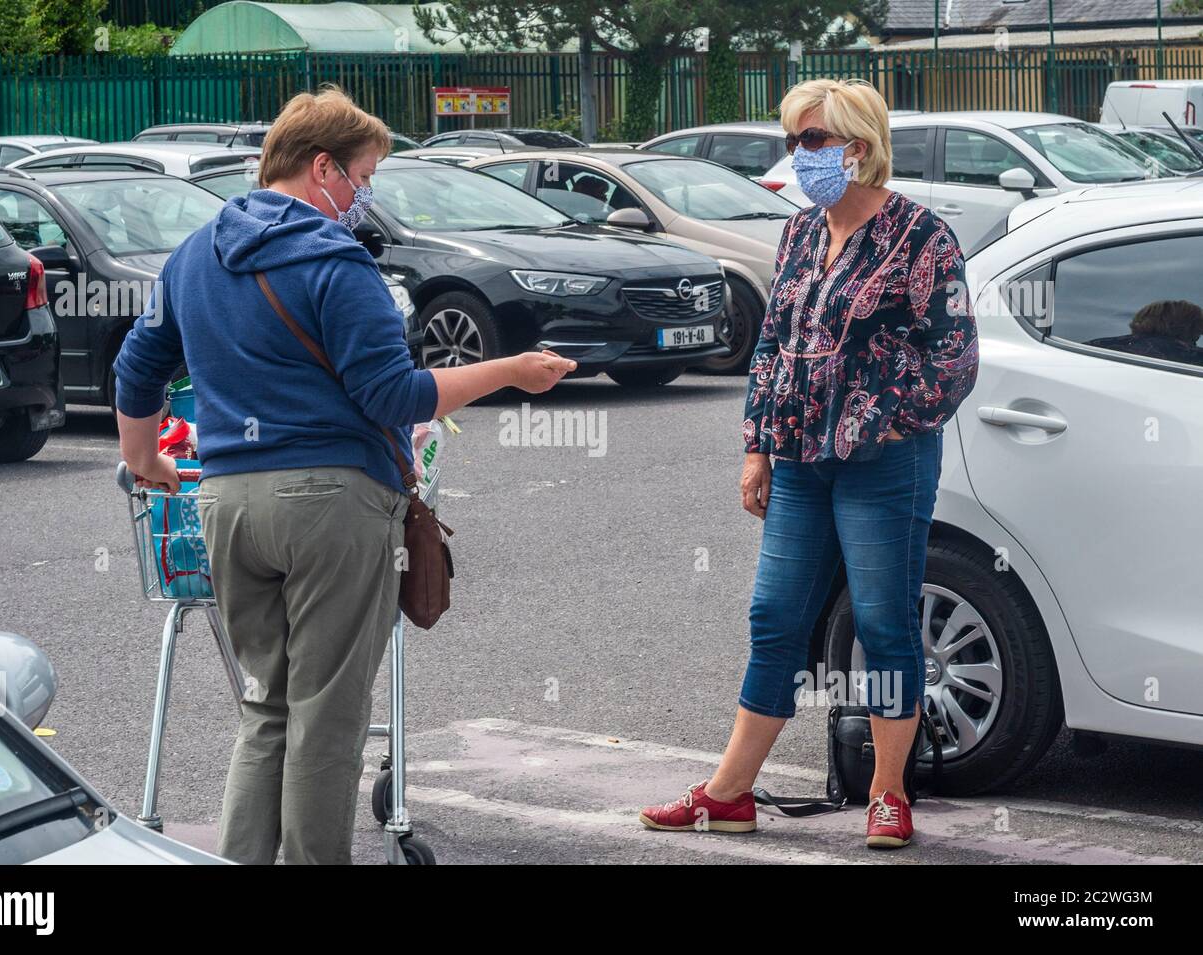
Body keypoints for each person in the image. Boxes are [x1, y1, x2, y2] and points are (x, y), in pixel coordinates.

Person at [113, 87, 576, 864]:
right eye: (364, 176)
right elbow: (393, 394)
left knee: (267, 707)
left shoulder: (193, 254)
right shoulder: (336, 261)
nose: (367, 196)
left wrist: (144, 460)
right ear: (321, 167)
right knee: (328, 716)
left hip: (224, 503)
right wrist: (511, 370)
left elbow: (137, 369)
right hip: (329, 502)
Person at [639, 79, 979, 849]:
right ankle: (728, 792)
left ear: (859, 147)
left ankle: (889, 795)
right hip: (797, 462)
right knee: (774, 618)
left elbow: (953, 359)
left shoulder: (922, 236)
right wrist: (757, 445)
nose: (801, 155)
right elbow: (772, 348)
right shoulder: (798, 234)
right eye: (795, 141)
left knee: (885, 623)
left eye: (815, 141)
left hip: (882, 465)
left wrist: (877, 423)